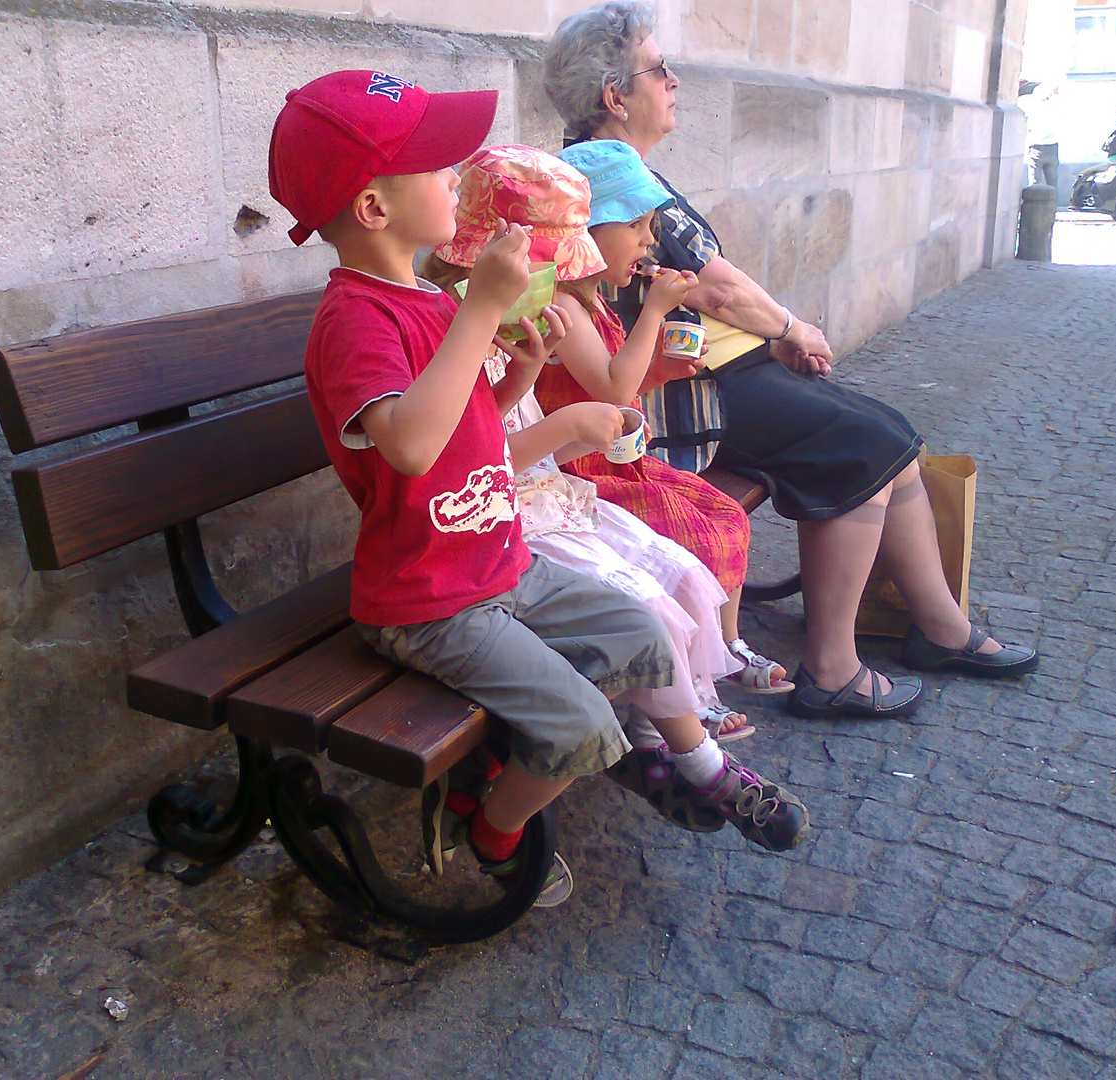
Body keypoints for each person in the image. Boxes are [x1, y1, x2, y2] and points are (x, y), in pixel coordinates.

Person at [266, 72, 806, 899]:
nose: (453, 174)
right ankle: (491, 828)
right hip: (428, 598)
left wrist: (513, 383)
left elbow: (463, 429)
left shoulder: (422, 299)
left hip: (502, 560)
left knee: (642, 636)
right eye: (434, 164)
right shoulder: (356, 321)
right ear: (374, 210)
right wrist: (481, 310)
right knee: (586, 729)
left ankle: (665, 760)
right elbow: (409, 448)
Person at [542, 1, 1039, 720]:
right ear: (616, 96)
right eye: (660, 68)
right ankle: (835, 668)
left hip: (717, 372)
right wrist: (791, 326)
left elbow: (705, 281)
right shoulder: (600, 181)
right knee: (863, 443)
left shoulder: (622, 171)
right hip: (687, 394)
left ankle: (939, 625)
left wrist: (773, 336)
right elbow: (712, 285)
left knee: (887, 431)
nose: (675, 80)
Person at [1020, 81, 1061, 189]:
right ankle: (1052, 205)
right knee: (1052, 185)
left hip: (1036, 148)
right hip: (1053, 148)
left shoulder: (1032, 108)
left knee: (1035, 184)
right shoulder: (1056, 107)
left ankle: (1033, 205)